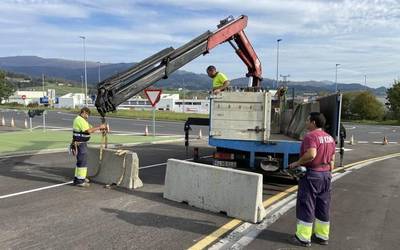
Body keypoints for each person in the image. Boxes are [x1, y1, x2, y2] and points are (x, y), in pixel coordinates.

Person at [288, 112, 336, 247]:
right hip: (326, 174)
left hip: (312, 175)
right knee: (323, 205)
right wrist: (327, 173)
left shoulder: (311, 136)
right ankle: (322, 236)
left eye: (308, 120)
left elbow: (311, 154)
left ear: (314, 122)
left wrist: (297, 163)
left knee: (307, 205)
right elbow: (332, 159)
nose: (306, 122)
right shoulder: (329, 138)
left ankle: (303, 238)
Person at [71, 107, 106, 187]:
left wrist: (101, 129)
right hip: (80, 144)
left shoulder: (83, 120)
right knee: (82, 162)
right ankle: (80, 181)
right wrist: (100, 127)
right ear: (83, 112)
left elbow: (91, 129)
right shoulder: (79, 120)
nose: (88, 116)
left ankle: (78, 178)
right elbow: (88, 131)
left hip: (81, 143)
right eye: (87, 114)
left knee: (80, 162)